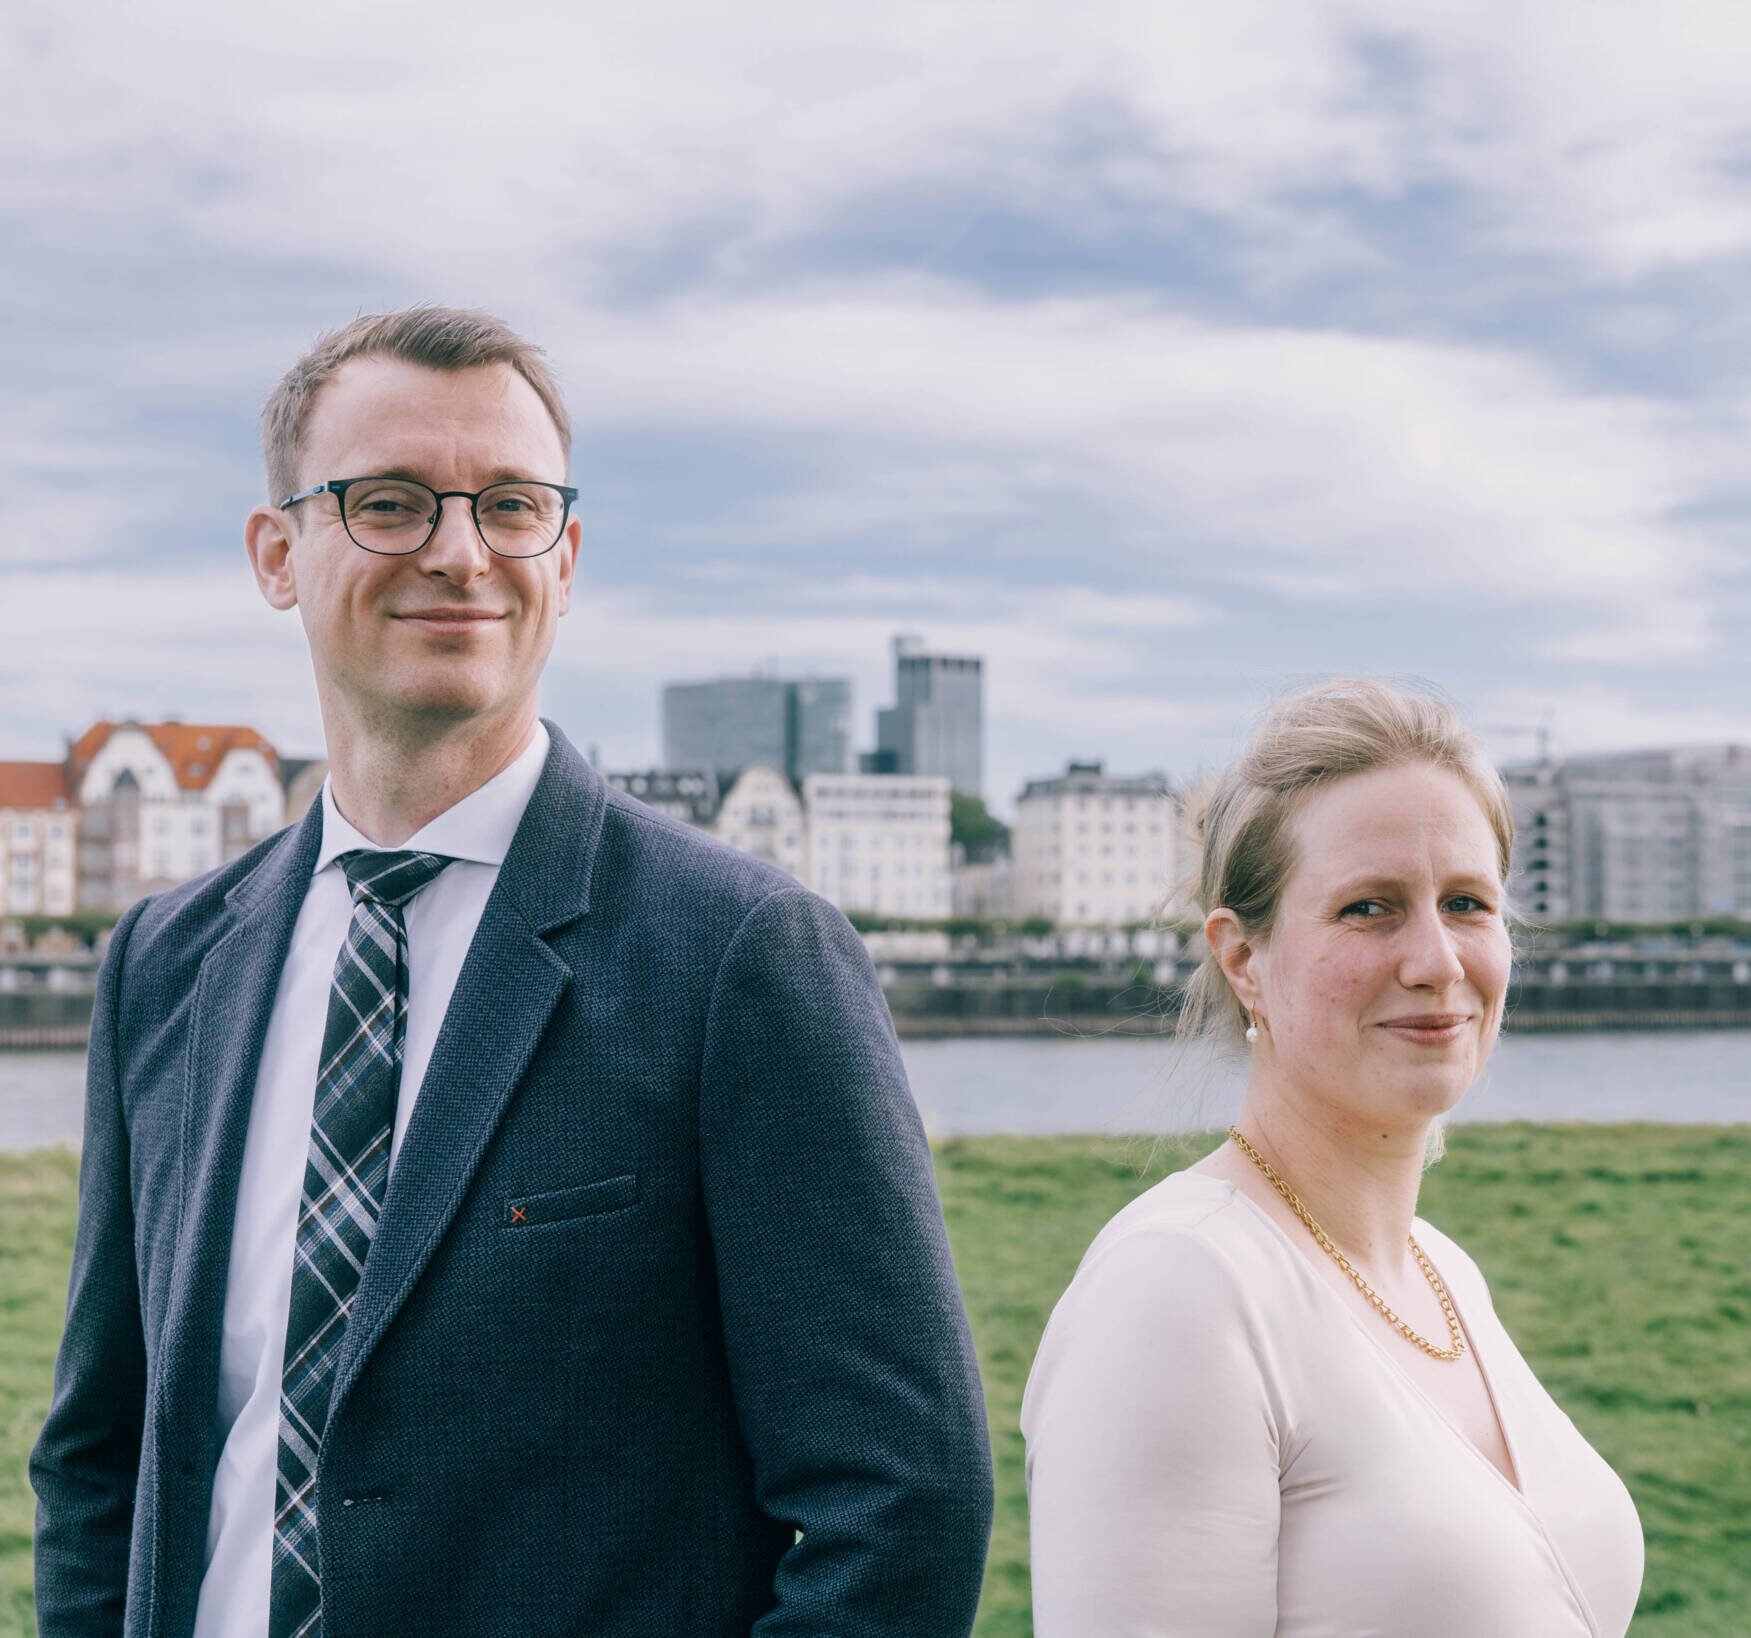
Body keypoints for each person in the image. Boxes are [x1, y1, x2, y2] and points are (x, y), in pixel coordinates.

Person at [31, 306, 994, 1637]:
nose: (459, 551)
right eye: (390, 502)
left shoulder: (737, 955)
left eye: (509, 505)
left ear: (567, 551)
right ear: (275, 552)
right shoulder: (168, 961)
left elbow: (899, 1503)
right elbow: (104, 1450)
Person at [1021, 679, 1643, 1637]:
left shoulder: (1443, 1274)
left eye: (1467, 903)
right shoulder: (1178, 1288)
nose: (1436, 960)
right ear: (1240, 958)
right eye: (1368, 908)